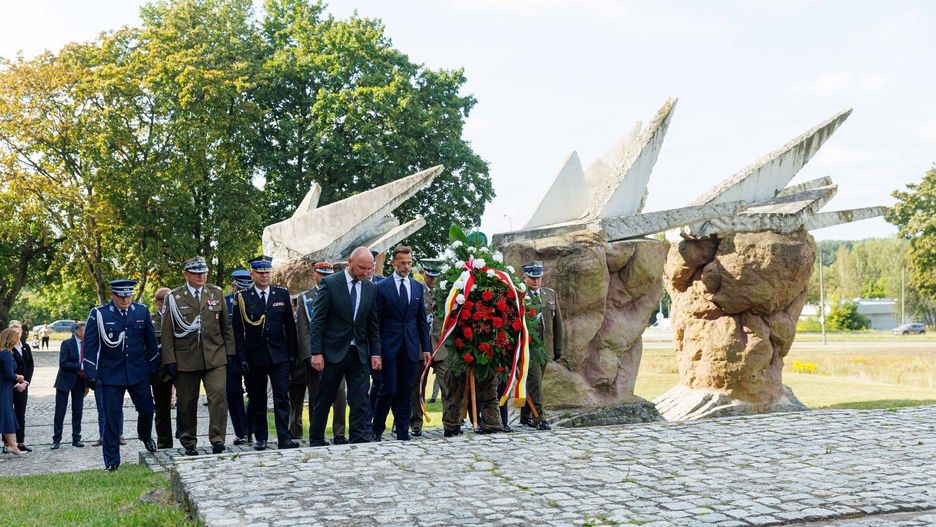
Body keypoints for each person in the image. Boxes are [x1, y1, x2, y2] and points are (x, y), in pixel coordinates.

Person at [161, 256, 236, 456]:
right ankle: (188, 441)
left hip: (215, 355)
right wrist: (169, 359)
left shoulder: (216, 293)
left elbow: (226, 327)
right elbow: (167, 332)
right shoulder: (174, 297)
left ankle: (218, 439)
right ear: (186, 274)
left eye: (203, 272)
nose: (201, 276)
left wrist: (230, 353)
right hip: (186, 358)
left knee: (218, 395)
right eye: (196, 273)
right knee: (187, 402)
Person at [307, 247, 381, 446]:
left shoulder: (371, 288)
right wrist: (316, 352)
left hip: (359, 352)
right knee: (326, 397)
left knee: (359, 398)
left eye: (369, 269)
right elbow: (318, 321)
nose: (366, 273)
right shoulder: (330, 284)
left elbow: (372, 324)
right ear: (350, 262)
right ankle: (316, 438)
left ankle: (357, 437)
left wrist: (376, 353)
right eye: (362, 268)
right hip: (332, 352)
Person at [82, 280, 159, 472]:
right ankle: (112, 460)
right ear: (112, 295)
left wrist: (154, 367)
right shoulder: (99, 314)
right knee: (111, 418)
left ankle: (145, 435)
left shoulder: (141, 311)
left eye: (128, 296)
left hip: (137, 371)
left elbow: (150, 342)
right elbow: (90, 346)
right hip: (110, 373)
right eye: (121, 296)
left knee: (148, 409)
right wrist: (90, 373)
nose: (125, 299)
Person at [232, 255, 300, 451]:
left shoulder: (281, 294)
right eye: (260, 273)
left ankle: (284, 438)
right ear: (252, 274)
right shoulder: (243, 298)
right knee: (257, 399)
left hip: (279, 355)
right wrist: (242, 357)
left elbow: (289, 326)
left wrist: (292, 354)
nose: (264, 276)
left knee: (281, 397)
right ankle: (261, 437)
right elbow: (237, 330)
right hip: (255, 356)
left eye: (267, 273)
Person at [372, 246, 431, 442]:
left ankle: (403, 431)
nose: (406, 267)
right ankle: (377, 429)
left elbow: (421, 320)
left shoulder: (417, 286)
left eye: (409, 263)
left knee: (406, 390)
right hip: (388, 348)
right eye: (403, 263)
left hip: (411, 348)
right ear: (393, 263)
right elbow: (376, 322)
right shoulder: (382, 287)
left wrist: (426, 348)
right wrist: (376, 351)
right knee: (388, 389)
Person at [291, 262, 348, 445]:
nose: (325, 277)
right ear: (314, 274)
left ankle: (339, 432)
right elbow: (303, 329)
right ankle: (317, 433)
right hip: (316, 355)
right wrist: (309, 356)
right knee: (316, 395)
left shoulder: (340, 293)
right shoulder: (305, 298)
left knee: (340, 394)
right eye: (321, 274)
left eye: (328, 274)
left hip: (337, 352)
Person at [519, 261, 564, 430]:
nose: (536, 281)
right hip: (528, 348)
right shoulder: (520, 295)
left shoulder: (549, 294)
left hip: (545, 348)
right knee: (535, 382)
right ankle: (539, 418)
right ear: (525, 277)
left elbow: (557, 323)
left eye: (538, 278)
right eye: (532, 278)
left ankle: (525, 416)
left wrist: (558, 347)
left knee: (534, 382)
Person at [410, 258, 444, 436]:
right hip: (419, 345)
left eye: (436, 276)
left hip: (440, 345)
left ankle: (451, 423)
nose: (433, 280)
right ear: (423, 273)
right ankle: (416, 423)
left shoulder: (445, 292)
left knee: (447, 384)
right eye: (430, 276)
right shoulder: (416, 290)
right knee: (417, 387)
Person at [225, 270, 253, 445]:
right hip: (231, 355)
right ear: (233, 286)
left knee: (255, 394)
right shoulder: (224, 302)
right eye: (238, 287)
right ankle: (241, 431)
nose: (241, 291)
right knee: (233, 393)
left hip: (250, 353)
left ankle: (251, 428)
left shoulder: (252, 300)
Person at [52, 321, 89, 449]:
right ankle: (56, 439)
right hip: (64, 381)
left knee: (78, 411)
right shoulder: (67, 343)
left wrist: (87, 384)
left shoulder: (88, 344)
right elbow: (63, 363)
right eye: (86, 330)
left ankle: (76, 438)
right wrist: (81, 366)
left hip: (80, 382)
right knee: (60, 411)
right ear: (78, 332)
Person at [150, 287, 175, 449]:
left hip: (181, 366)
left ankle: (187, 437)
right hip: (160, 370)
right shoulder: (150, 321)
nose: (165, 304)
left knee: (187, 403)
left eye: (168, 300)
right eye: (162, 300)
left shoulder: (179, 317)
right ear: (156, 303)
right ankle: (164, 442)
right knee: (162, 408)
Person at [8, 321, 34, 452]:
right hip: (10, 386)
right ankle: (7, 443)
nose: (17, 334)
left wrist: (25, 382)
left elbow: (30, 366)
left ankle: (20, 442)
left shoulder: (25, 346)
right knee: (7, 414)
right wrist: (17, 383)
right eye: (14, 332)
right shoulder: (6, 348)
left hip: (24, 386)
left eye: (19, 332)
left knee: (20, 414)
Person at [1, 328, 25, 455]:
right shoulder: (5, 354)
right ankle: (11, 445)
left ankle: (11, 445)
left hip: (5, 389)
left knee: (6, 416)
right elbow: (9, 374)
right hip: (3, 390)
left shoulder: (3, 352)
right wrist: (18, 377)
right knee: (4, 416)